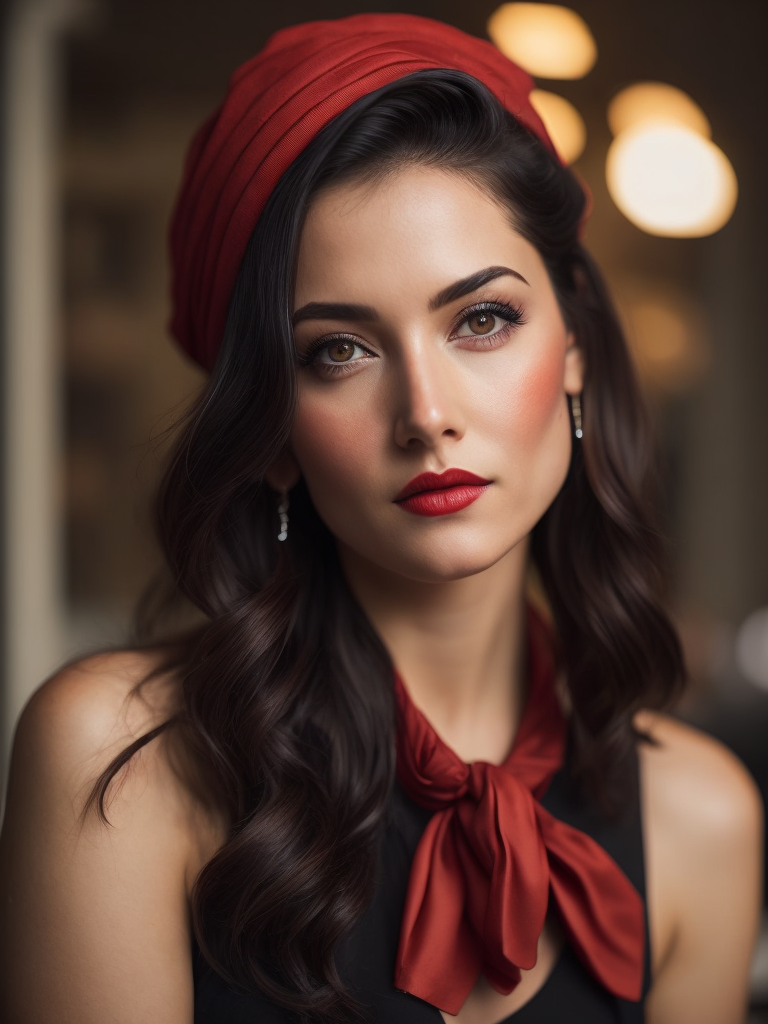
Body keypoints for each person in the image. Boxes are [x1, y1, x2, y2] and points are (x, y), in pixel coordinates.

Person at [0, 12, 763, 1024]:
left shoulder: (700, 817)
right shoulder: (120, 759)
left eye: (482, 320)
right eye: (339, 351)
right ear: (272, 428)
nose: (426, 412)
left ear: (573, 347)